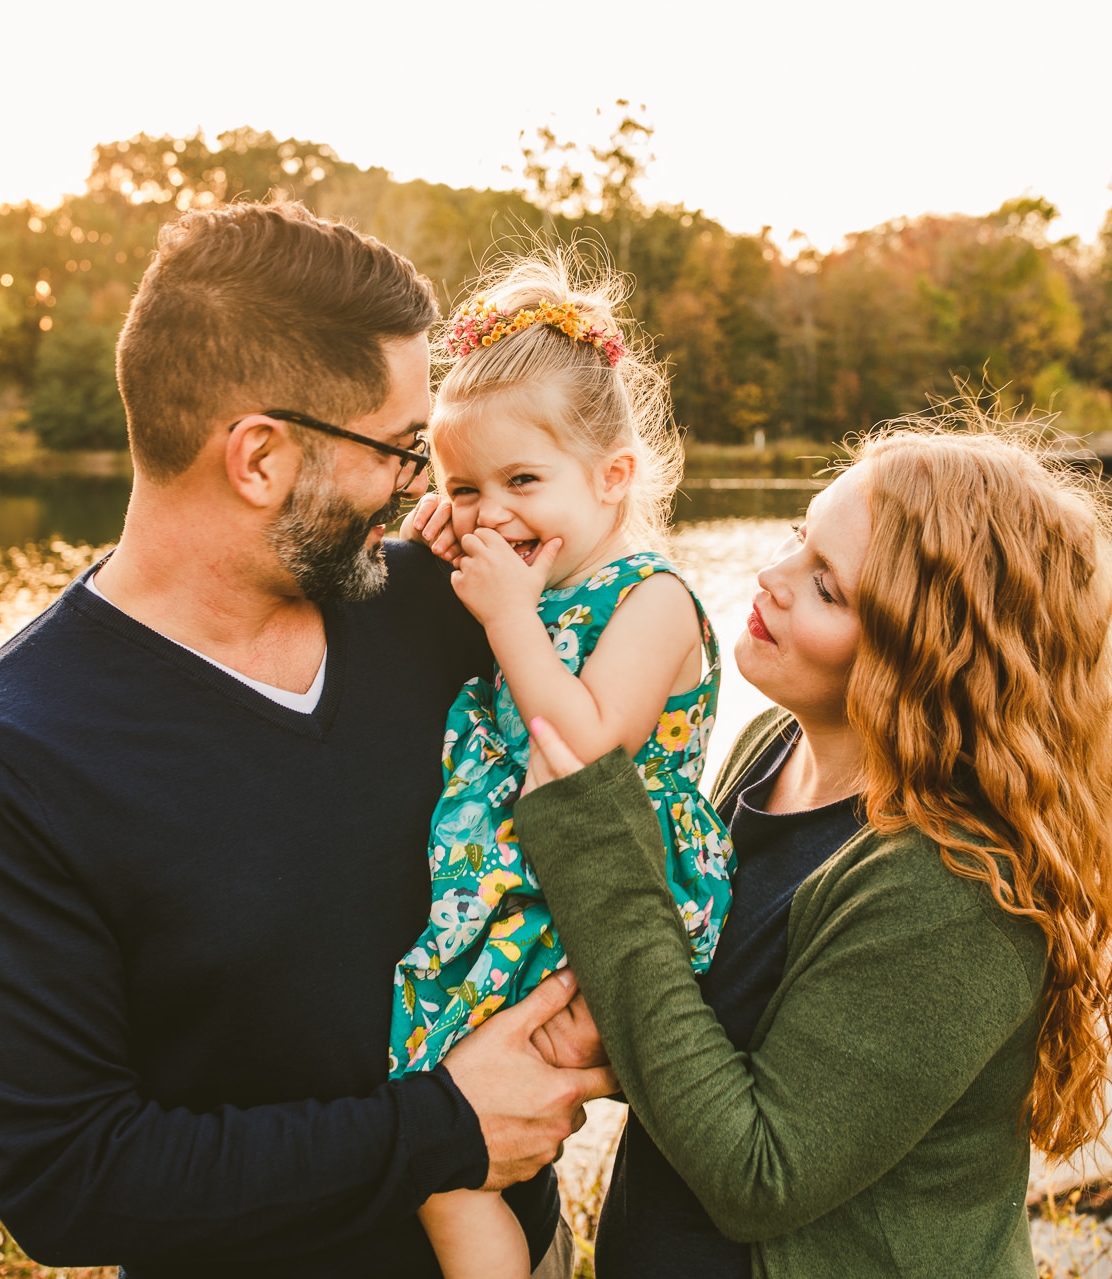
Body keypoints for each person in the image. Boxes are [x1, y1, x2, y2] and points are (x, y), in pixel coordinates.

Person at [0, 203, 615, 1279]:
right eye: (400, 450)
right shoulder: (2, 766)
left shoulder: (438, 608)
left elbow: (628, 730)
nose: (421, 489)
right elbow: (69, 1179)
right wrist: (443, 1129)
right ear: (261, 458)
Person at [509, 425, 1112, 1277]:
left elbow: (759, 1174)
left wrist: (594, 839)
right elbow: (693, 1020)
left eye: (827, 588)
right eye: (801, 535)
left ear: (925, 658)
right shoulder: (775, 750)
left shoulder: (956, 886)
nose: (771, 578)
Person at [391, 256, 733, 1278]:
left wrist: (504, 614)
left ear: (613, 477)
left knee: (443, 1130)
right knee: (441, 1144)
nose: (491, 512)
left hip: (595, 893)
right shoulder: (520, 584)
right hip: (507, 888)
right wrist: (432, 554)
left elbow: (582, 746)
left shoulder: (650, 597)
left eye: (522, 482)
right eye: (466, 488)